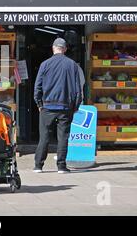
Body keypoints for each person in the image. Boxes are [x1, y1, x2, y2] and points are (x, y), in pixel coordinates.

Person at [33, 38, 82, 174]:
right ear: (65, 49)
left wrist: (39, 103)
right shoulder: (72, 65)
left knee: (44, 136)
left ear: (53, 48)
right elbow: (78, 89)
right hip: (65, 107)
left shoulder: (45, 64)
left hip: (47, 106)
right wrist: (76, 105)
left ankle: (38, 165)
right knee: (63, 137)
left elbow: (37, 86)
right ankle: (61, 166)